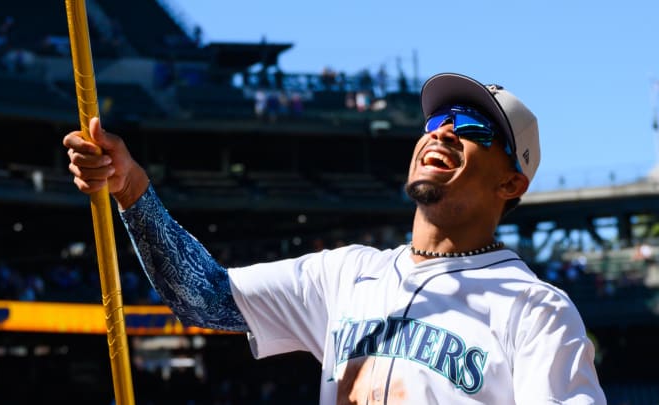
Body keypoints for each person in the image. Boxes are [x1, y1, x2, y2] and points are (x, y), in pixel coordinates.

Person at [63, 72, 607, 404]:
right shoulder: (346, 274)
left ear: (511, 182)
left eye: (473, 129)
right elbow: (202, 295)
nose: (442, 130)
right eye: (438, 119)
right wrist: (132, 188)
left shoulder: (535, 309)